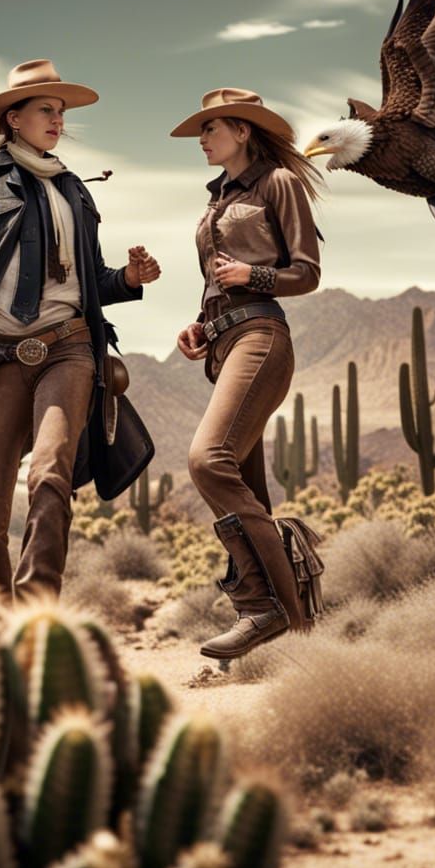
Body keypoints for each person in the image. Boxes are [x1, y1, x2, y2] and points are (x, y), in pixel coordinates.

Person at [0, 59, 160, 602]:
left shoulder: (75, 190)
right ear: (13, 118)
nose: (58, 120)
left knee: (50, 477)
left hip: (69, 348)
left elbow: (91, 280)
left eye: (61, 112)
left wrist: (128, 278)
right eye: (45, 110)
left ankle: (37, 614)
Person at [171, 88, 323, 659]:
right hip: (225, 341)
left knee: (208, 461)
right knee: (248, 493)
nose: (202, 139)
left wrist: (253, 276)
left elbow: (307, 272)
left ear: (242, 131)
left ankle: (262, 606)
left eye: (211, 128)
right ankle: (302, 647)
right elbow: (217, 283)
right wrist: (200, 326)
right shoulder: (218, 198)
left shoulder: (278, 183)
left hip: (262, 338)